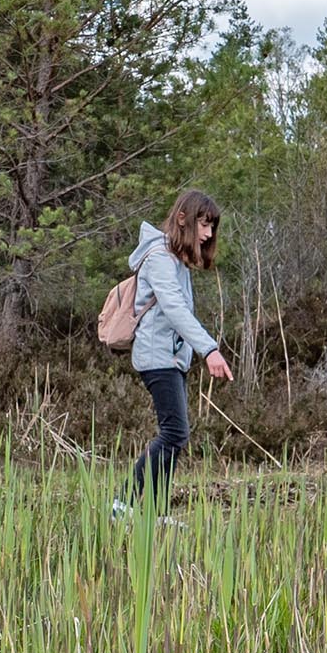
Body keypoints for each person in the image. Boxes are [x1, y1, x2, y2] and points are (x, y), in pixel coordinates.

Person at [112, 189, 233, 518]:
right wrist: (209, 350)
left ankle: (156, 513)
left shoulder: (177, 261)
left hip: (172, 359)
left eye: (212, 227)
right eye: (204, 224)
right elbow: (175, 309)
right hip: (156, 358)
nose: (208, 234)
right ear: (183, 219)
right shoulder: (160, 259)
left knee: (175, 437)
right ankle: (122, 505)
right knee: (175, 434)